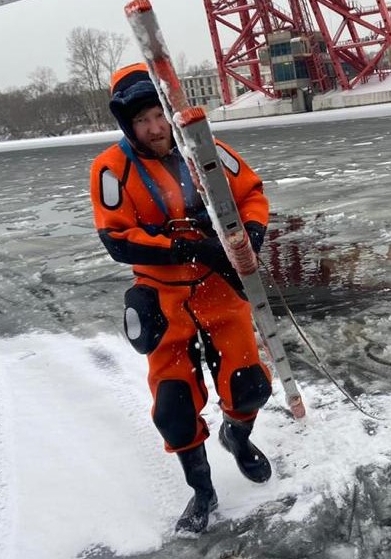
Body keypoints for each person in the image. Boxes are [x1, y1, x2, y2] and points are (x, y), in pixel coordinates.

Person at [89, 63, 274, 534]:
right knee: (173, 409)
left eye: (158, 116)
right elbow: (117, 239)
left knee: (249, 384)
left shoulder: (205, 151)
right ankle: (202, 491)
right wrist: (186, 247)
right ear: (127, 125)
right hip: (164, 298)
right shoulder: (111, 169)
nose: (154, 129)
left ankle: (238, 433)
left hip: (218, 291)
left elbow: (251, 192)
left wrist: (251, 231)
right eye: (142, 121)